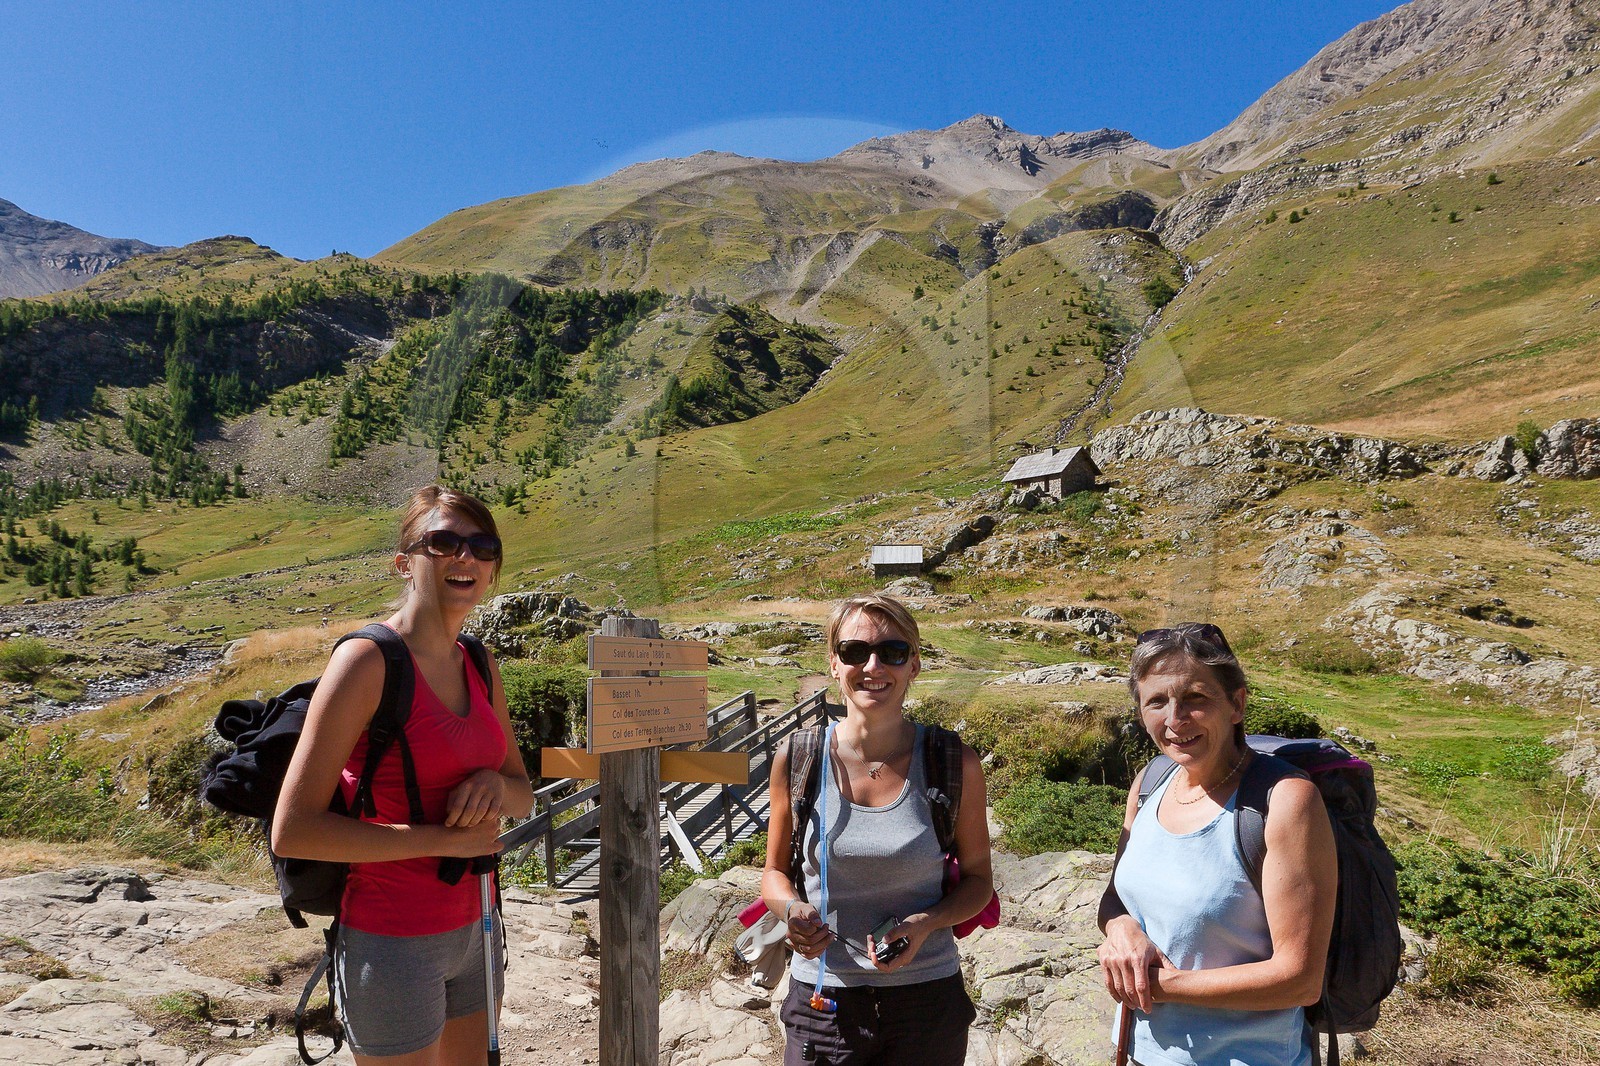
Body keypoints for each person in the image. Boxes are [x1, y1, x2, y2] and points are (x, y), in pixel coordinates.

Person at [273, 486, 534, 1065]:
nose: (464, 557)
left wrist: (495, 786)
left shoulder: (479, 662)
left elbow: (522, 794)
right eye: (442, 542)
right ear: (404, 561)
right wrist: (444, 840)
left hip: (477, 930)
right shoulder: (366, 662)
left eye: (481, 545)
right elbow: (292, 830)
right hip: (391, 940)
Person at [762, 592, 994, 1066]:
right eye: (854, 651)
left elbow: (979, 883)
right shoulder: (798, 758)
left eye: (892, 651)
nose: (872, 665)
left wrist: (926, 923)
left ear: (914, 665)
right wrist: (792, 911)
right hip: (823, 1001)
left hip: (927, 1003)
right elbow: (773, 873)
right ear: (833, 663)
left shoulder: (953, 761)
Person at [1097, 623, 1337, 1066]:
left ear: (1236, 705)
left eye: (1195, 698)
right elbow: (1115, 898)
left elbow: (1300, 979)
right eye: (1156, 702)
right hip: (1139, 1053)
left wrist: (1156, 985)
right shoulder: (1151, 782)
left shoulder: (1284, 801)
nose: (1175, 720)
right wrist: (1122, 931)